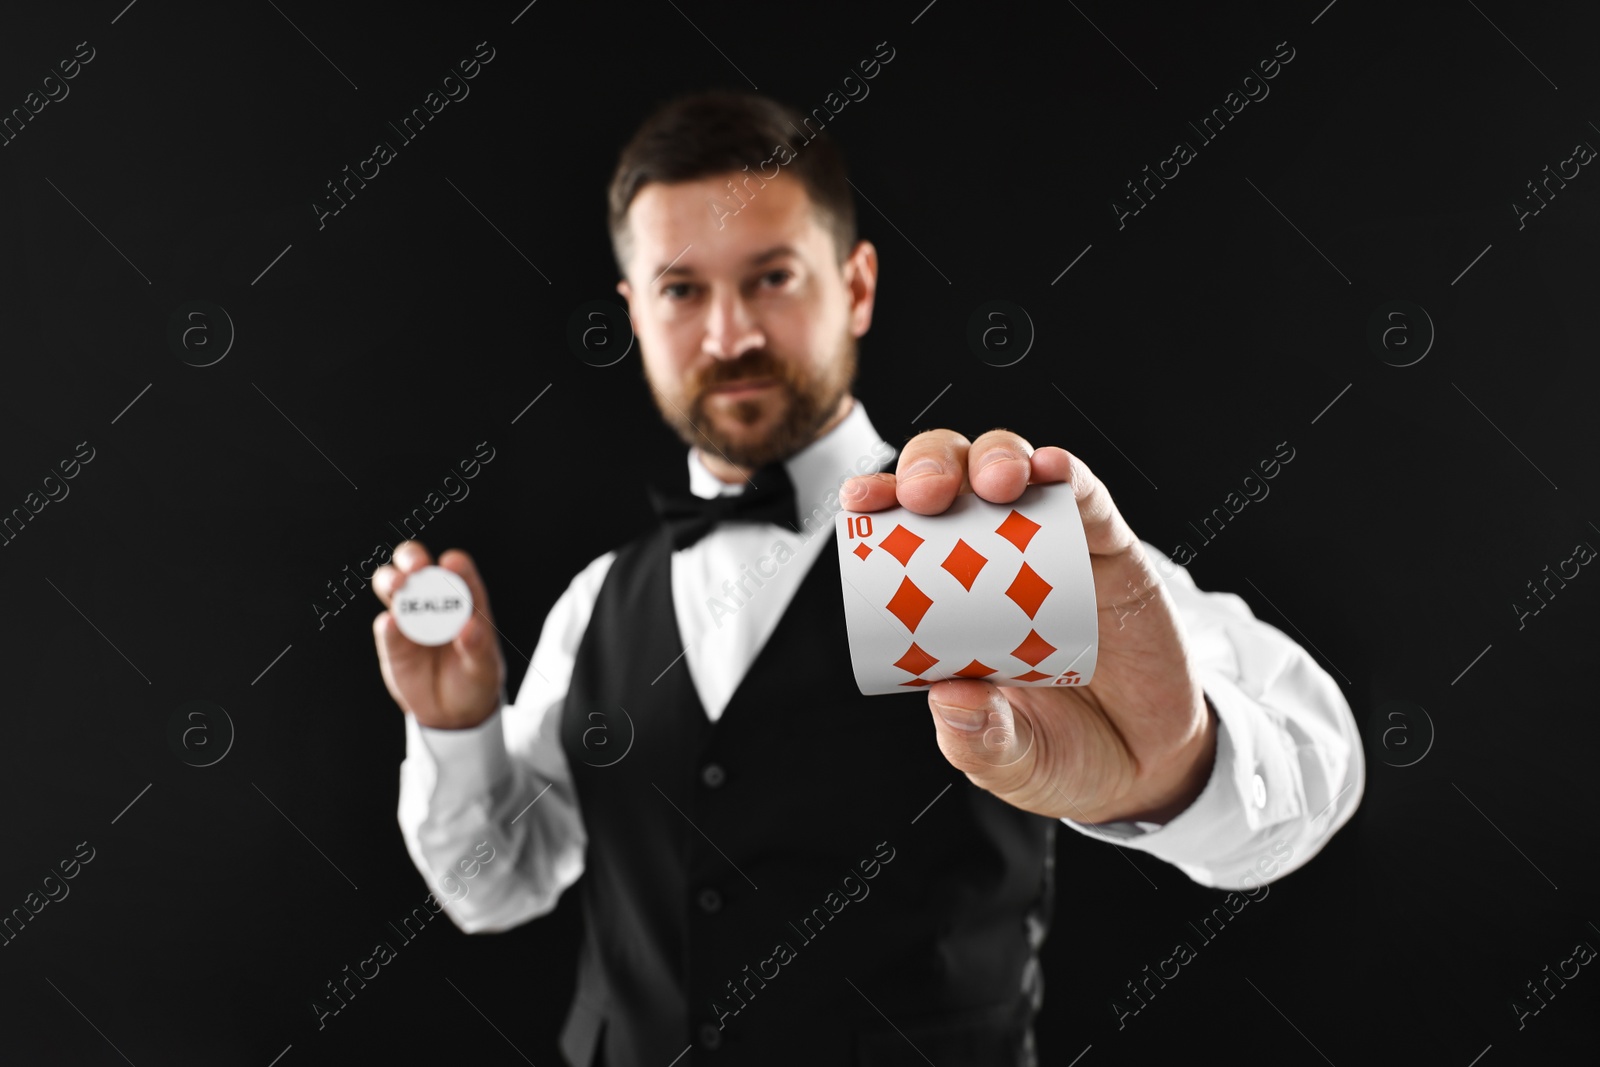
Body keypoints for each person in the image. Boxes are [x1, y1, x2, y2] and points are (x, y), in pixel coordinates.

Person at [370, 90, 1363, 1066]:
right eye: (681, 289)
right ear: (633, 311)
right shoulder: (597, 603)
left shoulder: (977, 539)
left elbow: (1318, 761)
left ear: (855, 285)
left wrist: (1181, 765)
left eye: (771, 277)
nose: (728, 336)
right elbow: (492, 889)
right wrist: (457, 730)